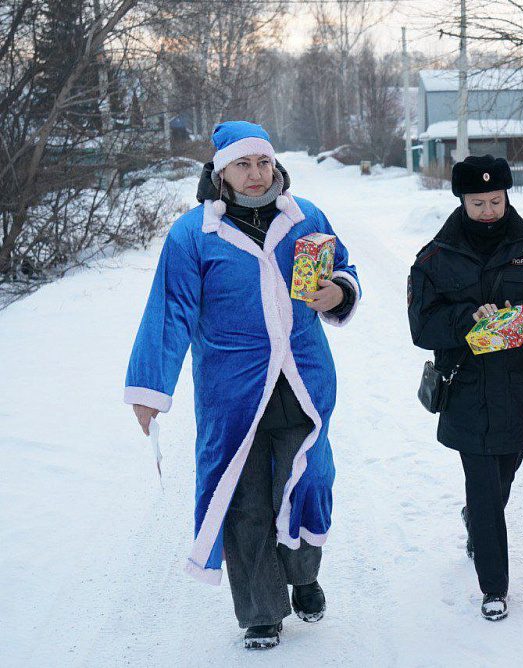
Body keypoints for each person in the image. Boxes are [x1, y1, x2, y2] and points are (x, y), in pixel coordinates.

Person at [124, 121, 361, 649]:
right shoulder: (193, 234)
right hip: (233, 387)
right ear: (221, 172)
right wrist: (149, 389)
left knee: (309, 479)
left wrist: (339, 293)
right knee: (245, 495)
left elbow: (343, 267)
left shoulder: (306, 219)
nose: (256, 176)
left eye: (263, 164)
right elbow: (170, 311)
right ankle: (261, 610)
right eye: (242, 165)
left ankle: (303, 575)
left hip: (303, 376)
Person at [407, 155, 523, 621]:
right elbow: (421, 326)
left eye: (495, 201)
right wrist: (466, 319)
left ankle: (477, 522)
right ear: (461, 201)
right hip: (464, 385)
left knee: (504, 473)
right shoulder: (435, 258)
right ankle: (494, 587)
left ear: (506, 197)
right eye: (477, 202)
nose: (487, 210)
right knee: (482, 485)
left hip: (518, 385)